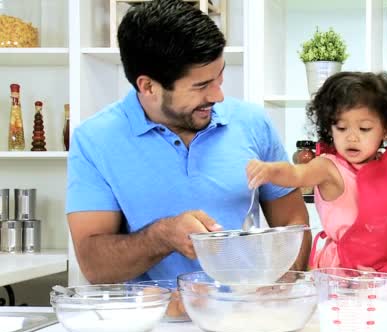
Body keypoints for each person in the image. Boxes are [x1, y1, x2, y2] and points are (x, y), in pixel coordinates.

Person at [65, 0, 309, 284]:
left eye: (219, 78)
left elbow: (293, 222)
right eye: (201, 86)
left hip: (249, 315)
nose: (218, 96)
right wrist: (162, 236)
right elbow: (95, 266)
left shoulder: (253, 123)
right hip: (155, 324)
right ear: (148, 86)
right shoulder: (94, 140)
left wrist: (285, 282)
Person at [247, 71, 387, 274]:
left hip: (382, 266)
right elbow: (296, 174)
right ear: (329, 127)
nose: (351, 138)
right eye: (341, 127)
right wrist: (269, 170)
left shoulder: (384, 168)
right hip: (340, 268)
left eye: (364, 129)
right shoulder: (328, 167)